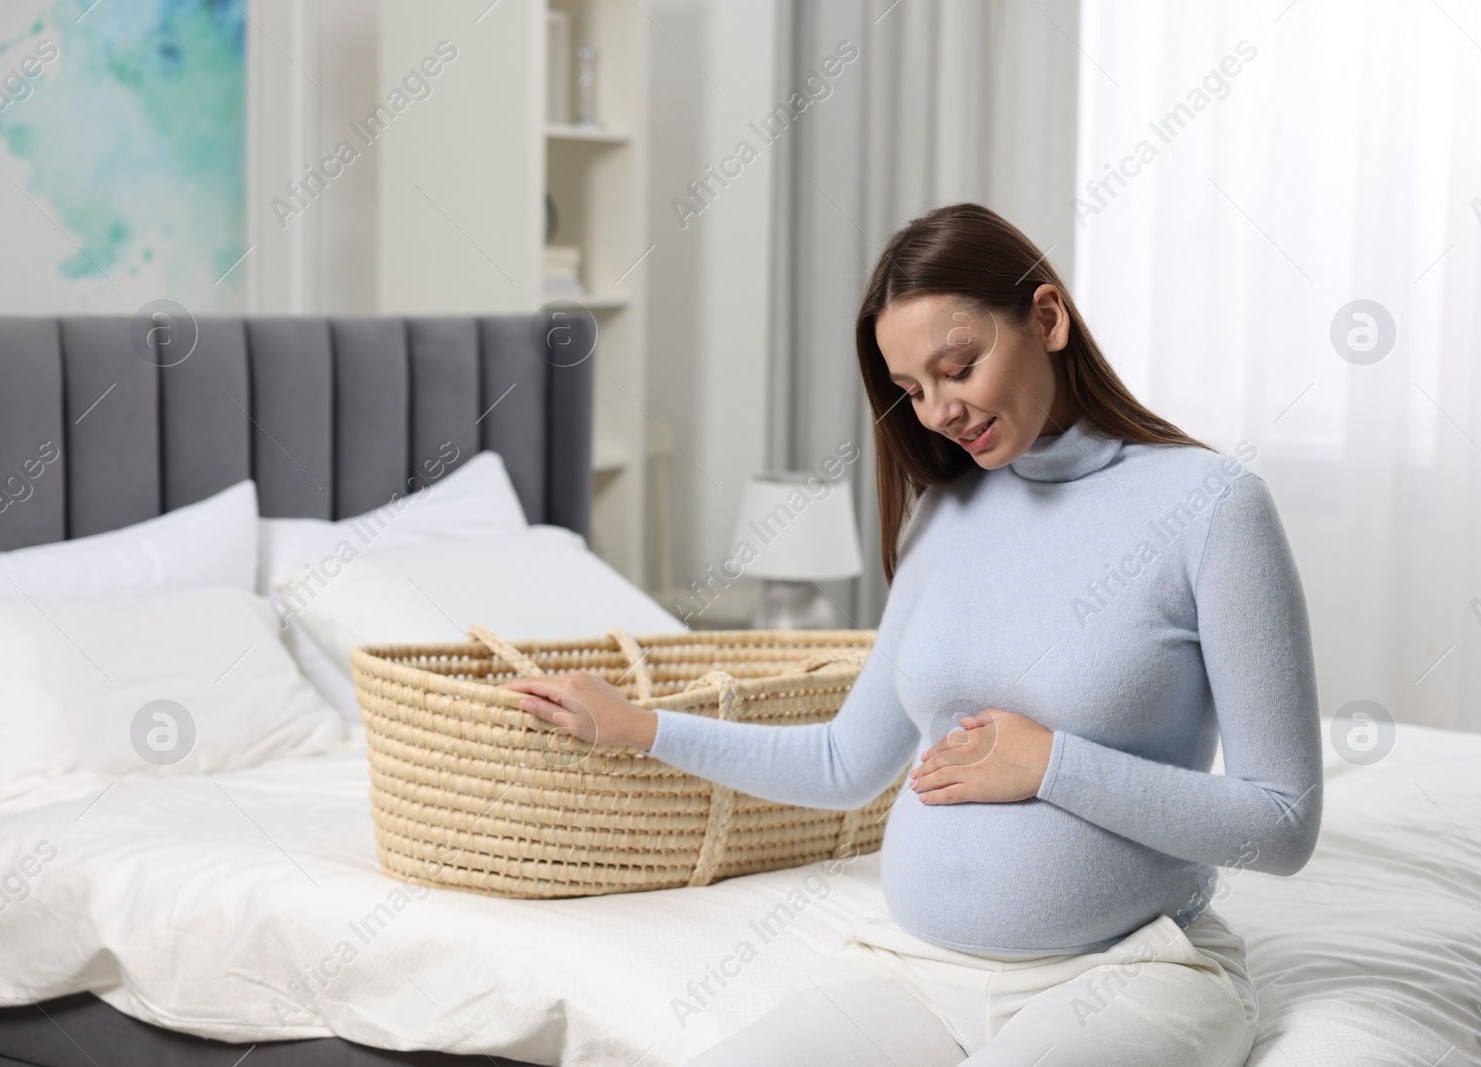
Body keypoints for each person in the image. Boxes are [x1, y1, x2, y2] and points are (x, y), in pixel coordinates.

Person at [506, 202, 1323, 1066]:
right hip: (917, 970)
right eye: (911, 390)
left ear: (1047, 318)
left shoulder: (1212, 505)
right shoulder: (944, 513)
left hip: (1130, 968)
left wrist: (1049, 761)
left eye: (958, 367)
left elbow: (1282, 821)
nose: (937, 412)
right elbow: (844, 764)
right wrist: (642, 726)